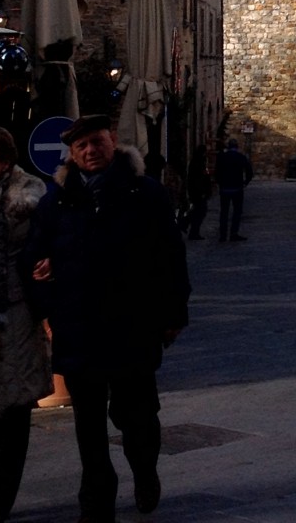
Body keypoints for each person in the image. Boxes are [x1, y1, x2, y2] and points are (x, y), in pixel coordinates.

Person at [23, 114, 190, 523]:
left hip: (132, 326)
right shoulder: (55, 201)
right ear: (72, 154)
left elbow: (171, 257)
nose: (89, 151)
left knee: (138, 417)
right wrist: (46, 301)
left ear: (112, 142)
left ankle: (144, 470)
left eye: (96, 142)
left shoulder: (144, 193)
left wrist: (172, 315)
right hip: (78, 328)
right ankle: (96, 498)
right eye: (80, 146)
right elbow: (34, 257)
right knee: (89, 425)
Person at [0, 127, 52, 523]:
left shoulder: (30, 199)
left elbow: (55, 242)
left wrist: (49, 264)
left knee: (12, 408)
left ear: (6, 161)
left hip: (15, 317)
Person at [215, 138, 253, 241]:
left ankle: (223, 235)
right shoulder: (240, 157)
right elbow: (249, 171)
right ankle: (233, 233)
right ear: (237, 147)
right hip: (237, 188)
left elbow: (216, 172)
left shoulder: (222, 157)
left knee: (224, 212)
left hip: (224, 188)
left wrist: (219, 183)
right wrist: (245, 182)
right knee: (237, 212)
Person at [185, 145, 212, 240]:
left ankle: (186, 224)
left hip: (197, 191)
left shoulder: (198, 162)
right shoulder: (198, 163)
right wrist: (202, 191)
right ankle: (191, 230)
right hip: (198, 192)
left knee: (197, 211)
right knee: (200, 212)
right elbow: (198, 179)